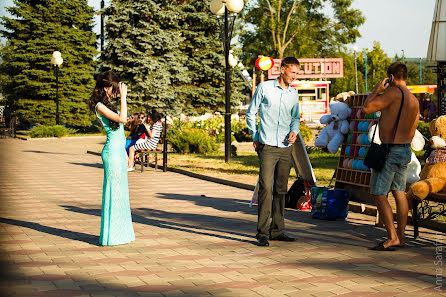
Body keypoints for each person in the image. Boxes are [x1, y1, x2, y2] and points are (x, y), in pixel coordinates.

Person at [363, 62, 419, 251]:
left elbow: (367, 108)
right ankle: (401, 237)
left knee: (378, 194)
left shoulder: (393, 93)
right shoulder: (413, 99)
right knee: (399, 192)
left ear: (391, 78)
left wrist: (377, 89)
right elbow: (412, 130)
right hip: (405, 149)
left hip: (390, 149)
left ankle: (392, 237)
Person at [246, 57, 301, 247]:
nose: (295, 76)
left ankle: (278, 230)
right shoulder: (265, 88)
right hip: (267, 145)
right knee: (266, 189)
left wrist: (295, 131)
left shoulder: (293, 94)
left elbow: (295, 118)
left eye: (297, 73)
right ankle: (262, 232)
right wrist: (255, 136)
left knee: (280, 189)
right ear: (283, 69)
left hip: (286, 147)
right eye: (292, 72)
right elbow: (251, 112)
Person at [88, 71, 135, 246]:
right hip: (111, 154)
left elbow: (119, 133)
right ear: (106, 88)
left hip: (118, 153)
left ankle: (121, 234)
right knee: (113, 194)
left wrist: (125, 154)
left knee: (121, 194)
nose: (116, 92)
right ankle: (111, 236)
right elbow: (122, 119)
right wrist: (124, 97)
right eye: (114, 89)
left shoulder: (107, 104)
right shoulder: (100, 106)